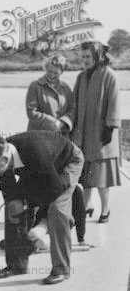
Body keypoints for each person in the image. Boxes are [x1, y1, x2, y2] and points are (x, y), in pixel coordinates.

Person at [0, 132, 84, 285]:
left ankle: (61, 269)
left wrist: (41, 221)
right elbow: (7, 187)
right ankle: (17, 265)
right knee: (13, 208)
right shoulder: (3, 152)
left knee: (57, 209)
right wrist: (15, 203)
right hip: (39, 168)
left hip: (67, 161)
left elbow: (53, 190)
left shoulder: (35, 152)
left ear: (3, 159)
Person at [26, 54, 86, 245]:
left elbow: (72, 110)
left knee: (60, 180)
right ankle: (40, 221)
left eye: (56, 72)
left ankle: (60, 221)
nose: (52, 75)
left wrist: (64, 122)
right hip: (40, 140)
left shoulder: (66, 89)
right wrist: (53, 122)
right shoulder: (35, 86)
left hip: (61, 141)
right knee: (43, 179)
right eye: (49, 71)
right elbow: (31, 111)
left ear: (62, 71)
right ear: (46, 69)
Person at [71, 41, 121, 223]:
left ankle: (106, 209)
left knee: (101, 177)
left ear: (97, 56)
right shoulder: (81, 77)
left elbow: (114, 102)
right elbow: (74, 103)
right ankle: (86, 206)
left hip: (102, 134)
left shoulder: (109, 75)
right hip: (84, 133)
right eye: (82, 56)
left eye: (88, 56)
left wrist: (110, 126)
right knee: (86, 175)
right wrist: (71, 124)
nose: (85, 60)